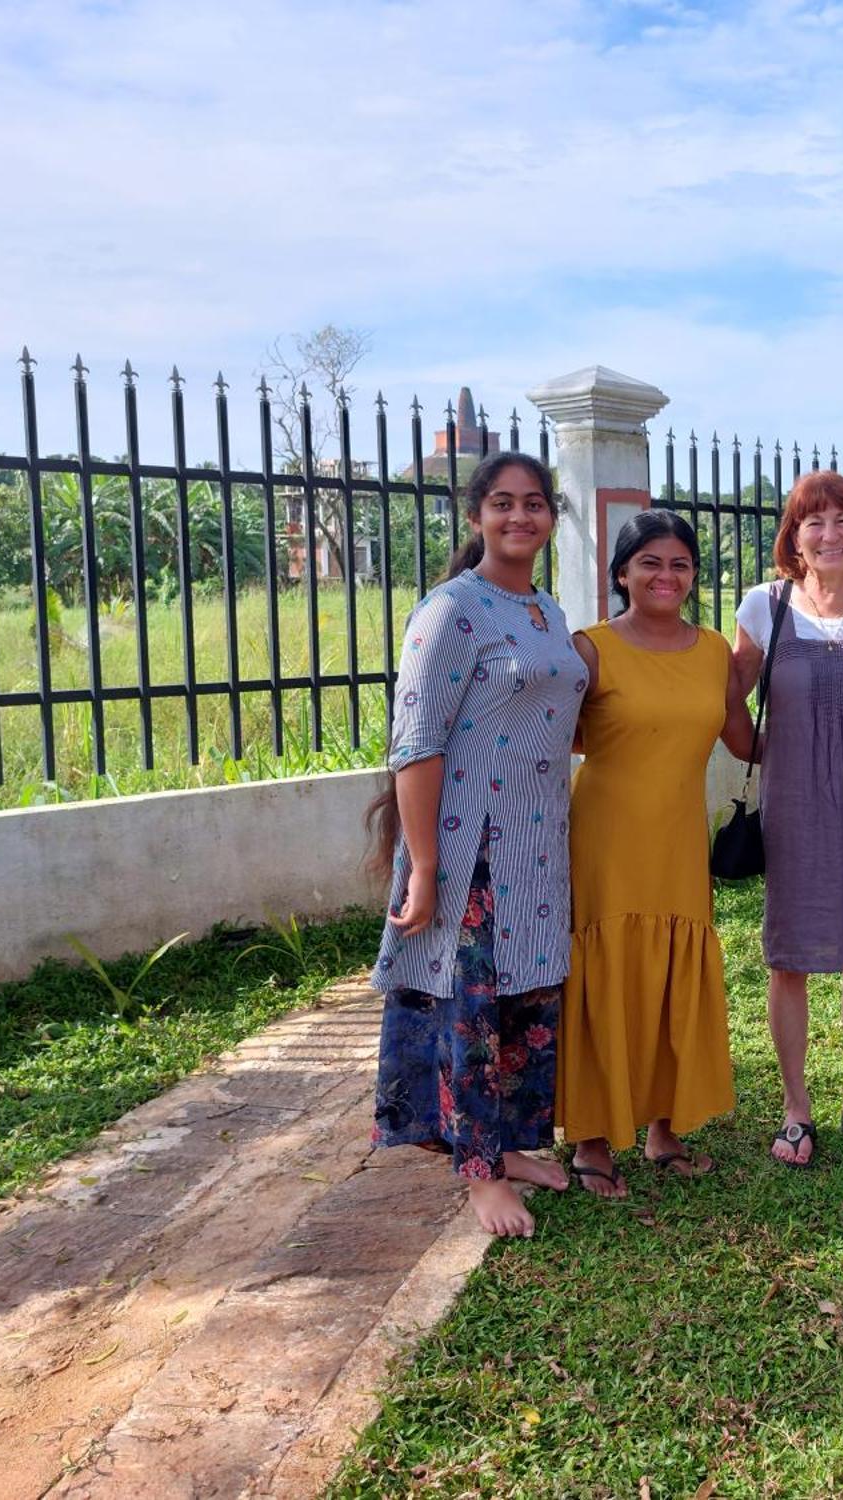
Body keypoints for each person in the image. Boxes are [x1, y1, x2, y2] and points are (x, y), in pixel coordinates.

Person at [365, 452, 585, 1240]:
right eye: (502, 503)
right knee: (471, 1007)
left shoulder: (545, 613)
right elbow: (416, 744)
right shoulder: (450, 611)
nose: (519, 517)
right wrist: (424, 865)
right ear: (475, 516)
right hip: (471, 847)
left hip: (539, 842)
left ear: (552, 517)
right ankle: (478, 1171)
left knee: (525, 995)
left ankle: (508, 1144)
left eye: (533, 504)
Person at [560, 510, 755, 1196]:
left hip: (678, 840)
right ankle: (590, 1138)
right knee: (603, 974)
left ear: (694, 575)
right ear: (622, 573)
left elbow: (745, 739)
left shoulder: (712, 653)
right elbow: (556, 740)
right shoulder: (588, 648)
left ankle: (664, 1130)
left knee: (674, 974)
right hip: (605, 838)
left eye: (679, 564)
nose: (665, 576)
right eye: (649, 563)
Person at [730, 471, 843, 1168]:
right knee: (790, 959)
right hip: (796, 808)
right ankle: (796, 1108)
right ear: (794, 537)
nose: (830, 533)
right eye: (815, 522)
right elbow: (728, 701)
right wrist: (770, 754)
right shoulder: (764, 608)